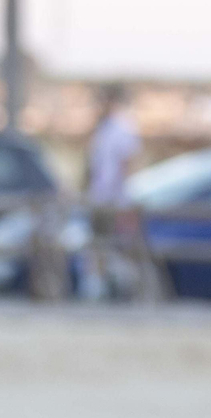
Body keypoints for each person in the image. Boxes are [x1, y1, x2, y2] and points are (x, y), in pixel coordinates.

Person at [80, 83, 144, 299]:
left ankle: (126, 290)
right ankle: (98, 289)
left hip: (114, 199)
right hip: (99, 197)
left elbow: (127, 163)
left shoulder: (123, 128)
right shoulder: (102, 129)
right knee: (98, 244)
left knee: (118, 246)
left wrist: (120, 195)